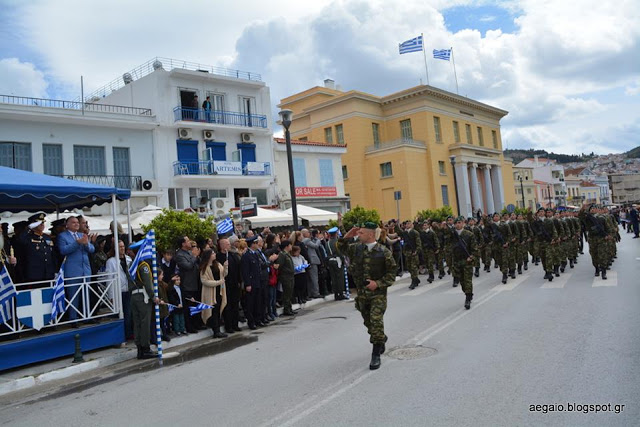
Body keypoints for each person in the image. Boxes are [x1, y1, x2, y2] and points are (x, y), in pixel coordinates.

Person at [338, 222, 396, 371]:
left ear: (371, 234)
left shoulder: (383, 252)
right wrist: (347, 236)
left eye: (361, 233)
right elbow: (340, 248)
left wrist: (378, 283)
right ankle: (380, 338)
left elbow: (391, 274)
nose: (359, 234)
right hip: (362, 295)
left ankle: (376, 354)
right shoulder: (356, 248)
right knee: (369, 324)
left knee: (376, 321)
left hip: (378, 294)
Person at [57, 216, 95, 324]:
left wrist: (86, 243)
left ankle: (87, 316)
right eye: (73, 222)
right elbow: (63, 250)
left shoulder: (81, 235)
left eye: (77, 222)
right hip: (73, 271)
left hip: (85, 270)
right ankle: (73, 319)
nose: (76, 224)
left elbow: (92, 249)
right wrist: (77, 243)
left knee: (86, 295)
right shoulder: (62, 236)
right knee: (74, 296)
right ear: (67, 225)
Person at [128, 240, 159, 359]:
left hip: (134, 296)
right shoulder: (143, 265)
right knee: (144, 323)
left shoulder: (131, 264)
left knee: (137, 324)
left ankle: (139, 349)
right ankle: (145, 348)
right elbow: (147, 283)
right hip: (143, 296)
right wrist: (153, 296)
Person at [105, 240, 133, 340]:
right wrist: (111, 296)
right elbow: (109, 279)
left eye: (123, 246)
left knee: (129, 313)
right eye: (120, 247)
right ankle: (122, 335)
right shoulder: (111, 261)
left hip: (128, 290)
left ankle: (129, 333)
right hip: (118, 291)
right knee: (120, 314)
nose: (122, 248)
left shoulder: (129, 259)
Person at [19, 213, 57, 286]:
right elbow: (20, 240)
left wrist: (55, 270)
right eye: (39, 223)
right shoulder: (28, 237)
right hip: (34, 275)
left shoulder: (47, 237)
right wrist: (29, 228)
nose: (42, 224)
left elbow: (52, 255)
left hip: (48, 273)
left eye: (43, 222)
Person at [174, 236, 200, 333]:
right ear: (183, 244)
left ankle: (196, 324)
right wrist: (194, 257)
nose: (190, 243)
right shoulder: (180, 255)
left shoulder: (189, 252)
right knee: (188, 307)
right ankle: (189, 326)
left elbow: (195, 265)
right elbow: (188, 266)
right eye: (188, 241)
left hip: (195, 283)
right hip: (187, 284)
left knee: (195, 305)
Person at [200, 249, 228, 338]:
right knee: (212, 311)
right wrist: (217, 282)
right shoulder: (205, 267)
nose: (214, 254)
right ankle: (216, 331)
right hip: (210, 292)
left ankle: (218, 330)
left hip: (219, 291)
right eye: (212, 253)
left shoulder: (218, 264)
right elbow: (204, 281)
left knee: (217, 310)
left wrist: (226, 267)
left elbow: (224, 274)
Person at [451, 217, 477, 310]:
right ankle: (467, 293)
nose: (457, 224)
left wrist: (472, 257)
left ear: (463, 223)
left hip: (467, 261)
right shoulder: (452, 235)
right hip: (457, 261)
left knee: (467, 280)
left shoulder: (469, 235)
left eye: (459, 222)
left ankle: (468, 298)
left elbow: (474, 249)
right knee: (462, 281)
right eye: (456, 223)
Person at [241, 236, 261, 330]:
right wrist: (248, 284)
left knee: (257, 303)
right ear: (252, 244)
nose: (257, 245)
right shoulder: (246, 256)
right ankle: (251, 322)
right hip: (251, 283)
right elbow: (245, 271)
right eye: (256, 243)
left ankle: (257, 320)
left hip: (257, 282)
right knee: (250, 304)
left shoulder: (255, 254)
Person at [275, 240, 296, 316]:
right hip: (285, 276)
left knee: (290, 293)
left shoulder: (287, 254)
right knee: (286, 293)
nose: (291, 247)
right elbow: (279, 266)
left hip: (290, 275)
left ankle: (289, 308)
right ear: (286, 246)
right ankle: (286, 309)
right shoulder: (282, 254)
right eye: (290, 245)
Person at [326, 227, 346, 300]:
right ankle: (340, 293)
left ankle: (336, 294)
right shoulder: (337, 242)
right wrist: (343, 261)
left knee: (333, 278)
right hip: (337, 260)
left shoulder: (327, 242)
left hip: (330, 260)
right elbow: (339, 252)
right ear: (336, 234)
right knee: (339, 278)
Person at [302, 229, 322, 298]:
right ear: (304, 234)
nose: (309, 233)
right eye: (308, 232)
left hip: (309, 260)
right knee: (314, 277)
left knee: (310, 278)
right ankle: (316, 293)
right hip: (312, 260)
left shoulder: (306, 240)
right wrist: (318, 239)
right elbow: (316, 246)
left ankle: (311, 293)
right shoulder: (306, 240)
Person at [403, 221, 422, 289]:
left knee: (413, 267)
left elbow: (418, 243)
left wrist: (416, 251)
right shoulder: (405, 233)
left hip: (413, 252)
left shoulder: (415, 232)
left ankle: (413, 281)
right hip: (407, 252)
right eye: (406, 224)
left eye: (409, 224)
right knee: (409, 267)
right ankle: (416, 279)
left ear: (412, 225)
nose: (407, 225)